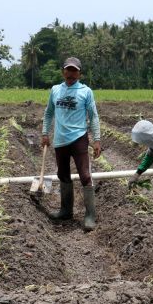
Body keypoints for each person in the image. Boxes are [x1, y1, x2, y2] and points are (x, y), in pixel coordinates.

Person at [41, 57, 101, 231]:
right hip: (60, 140)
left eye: (75, 71)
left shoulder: (85, 91)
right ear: (63, 72)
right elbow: (48, 113)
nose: (71, 74)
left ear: (79, 73)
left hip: (79, 138)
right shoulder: (55, 90)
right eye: (68, 70)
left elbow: (94, 116)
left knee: (85, 176)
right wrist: (45, 133)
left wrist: (97, 139)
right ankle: (66, 210)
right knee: (63, 174)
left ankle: (90, 215)